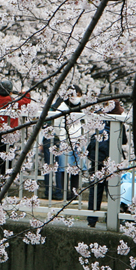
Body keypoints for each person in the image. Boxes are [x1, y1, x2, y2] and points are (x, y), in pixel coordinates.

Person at [41, 84, 86, 201]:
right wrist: (61, 136)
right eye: (74, 95)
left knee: (76, 167)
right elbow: (56, 124)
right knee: (63, 167)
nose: (76, 98)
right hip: (64, 140)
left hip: (78, 141)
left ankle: (74, 193)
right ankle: (63, 193)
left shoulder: (83, 107)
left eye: (79, 95)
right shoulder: (62, 106)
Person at [0, 79, 31, 197]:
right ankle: (2, 188)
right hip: (8, 134)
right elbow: (27, 101)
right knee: (6, 162)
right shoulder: (11, 100)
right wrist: (22, 93)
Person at [86, 99, 126, 227]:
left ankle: (92, 219)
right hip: (112, 161)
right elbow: (124, 140)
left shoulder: (99, 121)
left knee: (95, 189)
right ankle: (112, 217)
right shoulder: (119, 123)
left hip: (96, 158)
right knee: (113, 189)